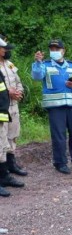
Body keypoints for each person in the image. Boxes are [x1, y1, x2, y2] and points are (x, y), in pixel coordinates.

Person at [31, 39, 72, 174]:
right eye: (52, 49)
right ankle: (60, 163)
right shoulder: (44, 65)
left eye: (57, 49)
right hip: (55, 107)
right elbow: (37, 76)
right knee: (59, 136)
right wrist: (38, 62)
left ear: (63, 50)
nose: (54, 52)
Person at [0, 38, 25, 197]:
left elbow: (18, 81)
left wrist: (18, 92)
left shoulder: (9, 64)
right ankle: (4, 173)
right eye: (4, 48)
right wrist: (8, 93)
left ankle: (10, 165)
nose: (6, 50)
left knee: (12, 136)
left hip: (12, 106)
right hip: (3, 105)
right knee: (1, 141)